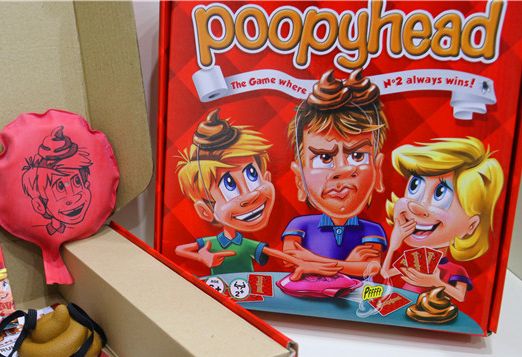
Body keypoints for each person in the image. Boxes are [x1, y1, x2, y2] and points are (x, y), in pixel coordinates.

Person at [175, 108, 340, 279]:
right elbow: (180, 250)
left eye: (252, 175)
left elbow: (275, 254)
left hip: (249, 290)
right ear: (205, 211)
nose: (250, 196)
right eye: (229, 185)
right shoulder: (210, 244)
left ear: (266, 178)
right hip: (215, 292)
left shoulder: (246, 244)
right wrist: (202, 257)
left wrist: (302, 263)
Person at [282, 68, 389, 279]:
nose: (342, 170)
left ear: (377, 171)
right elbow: (290, 259)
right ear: (299, 179)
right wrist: (348, 264)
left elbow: (371, 268)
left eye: (357, 156)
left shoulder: (372, 230)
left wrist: (311, 260)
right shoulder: (300, 225)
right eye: (324, 158)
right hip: (308, 296)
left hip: (360, 299)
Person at [381, 137, 503, 302]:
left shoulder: (455, 270)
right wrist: (394, 245)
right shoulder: (414, 259)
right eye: (415, 185)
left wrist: (436, 282)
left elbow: (460, 296)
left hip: (433, 312)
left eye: (441, 193)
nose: (416, 207)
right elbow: (385, 273)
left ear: (471, 225)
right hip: (402, 308)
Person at [21, 126, 93, 235]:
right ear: (39, 205)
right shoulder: (36, 228)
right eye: (60, 188)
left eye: (77, 182)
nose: (73, 198)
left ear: (86, 185)